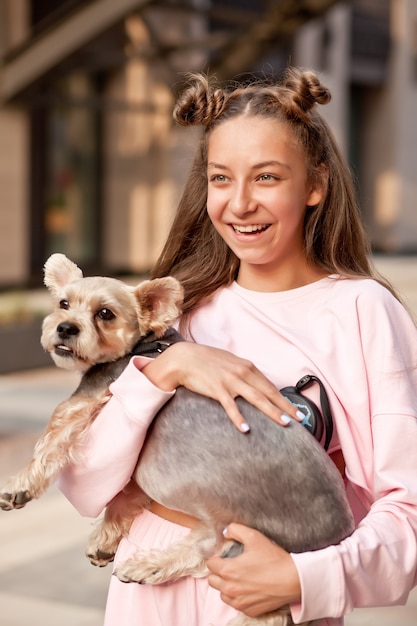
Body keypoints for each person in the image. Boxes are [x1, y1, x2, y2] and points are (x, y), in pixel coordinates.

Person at [58, 67, 417, 626]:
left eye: (268, 178)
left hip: (269, 601)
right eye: (221, 179)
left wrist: (306, 579)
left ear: (316, 184)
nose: (240, 203)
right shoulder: (179, 311)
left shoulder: (362, 312)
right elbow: (82, 482)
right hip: (148, 592)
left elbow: (408, 506)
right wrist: (167, 370)